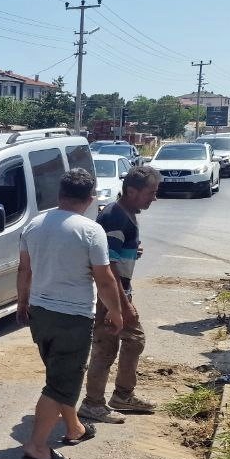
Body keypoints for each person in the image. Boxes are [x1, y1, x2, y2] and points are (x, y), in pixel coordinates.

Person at [16, 169, 125, 459]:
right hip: (72, 316)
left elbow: (24, 270)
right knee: (60, 383)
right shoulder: (91, 231)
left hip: (40, 313)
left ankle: (74, 427)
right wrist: (116, 313)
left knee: (59, 374)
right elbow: (104, 280)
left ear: (59, 195)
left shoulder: (33, 225)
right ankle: (37, 447)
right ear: (90, 199)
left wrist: (22, 302)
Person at [78, 165, 161, 425]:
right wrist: (123, 304)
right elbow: (108, 267)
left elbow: (112, 253)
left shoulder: (124, 213)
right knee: (109, 346)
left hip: (116, 292)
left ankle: (120, 396)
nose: (154, 198)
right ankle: (95, 403)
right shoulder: (116, 216)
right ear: (132, 191)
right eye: (151, 192)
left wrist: (131, 250)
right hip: (112, 294)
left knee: (126, 342)